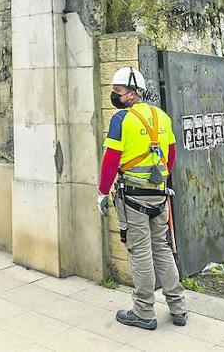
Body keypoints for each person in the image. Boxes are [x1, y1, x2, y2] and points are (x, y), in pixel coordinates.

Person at [97, 66, 188, 330]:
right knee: (162, 249)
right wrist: (158, 181)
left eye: (118, 91)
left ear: (134, 92)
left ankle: (144, 312)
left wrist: (102, 192)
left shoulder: (121, 120)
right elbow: (170, 156)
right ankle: (178, 306)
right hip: (158, 196)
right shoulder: (162, 117)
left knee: (139, 252)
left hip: (134, 198)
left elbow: (111, 160)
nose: (115, 95)